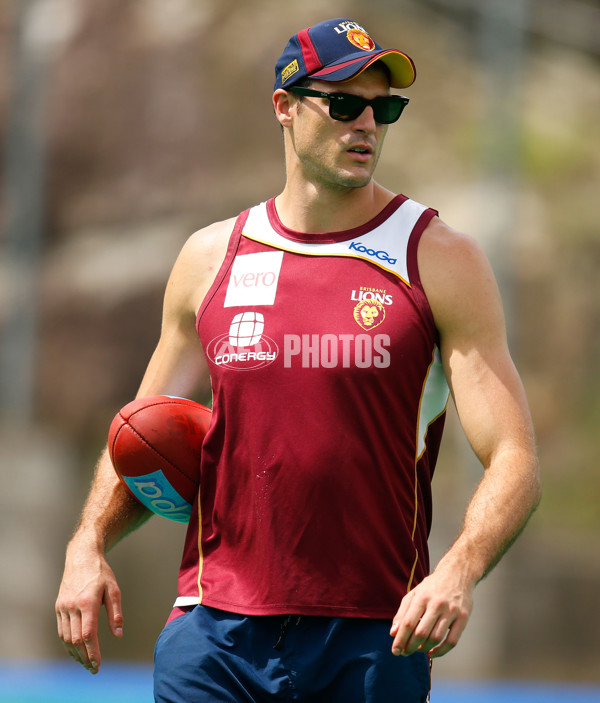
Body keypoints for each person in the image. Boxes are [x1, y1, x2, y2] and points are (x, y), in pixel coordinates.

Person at [55, 17, 541, 703]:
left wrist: (460, 569)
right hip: (214, 630)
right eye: (344, 104)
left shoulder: (437, 257)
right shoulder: (209, 259)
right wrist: (89, 544)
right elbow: (140, 430)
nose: (366, 124)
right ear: (284, 107)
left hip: (374, 634)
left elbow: (516, 456)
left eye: (384, 108)